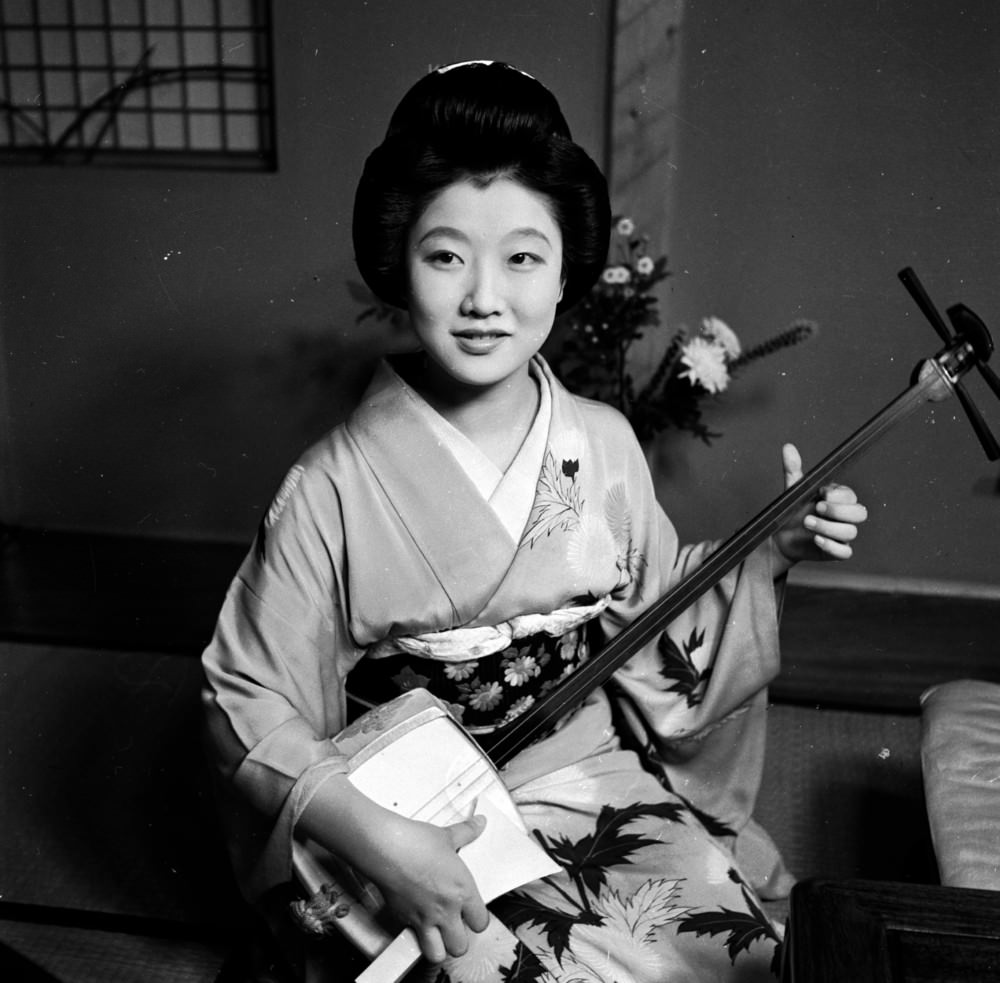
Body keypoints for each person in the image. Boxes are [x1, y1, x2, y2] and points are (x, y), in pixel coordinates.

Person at [201, 61, 868, 982]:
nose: (484, 298)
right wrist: (383, 843)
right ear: (399, 263)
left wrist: (771, 555)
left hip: (580, 770)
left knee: (726, 953)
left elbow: (656, 624)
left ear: (566, 274)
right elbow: (248, 700)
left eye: (522, 257)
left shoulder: (601, 443)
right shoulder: (331, 486)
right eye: (446, 256)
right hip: (412, 807)